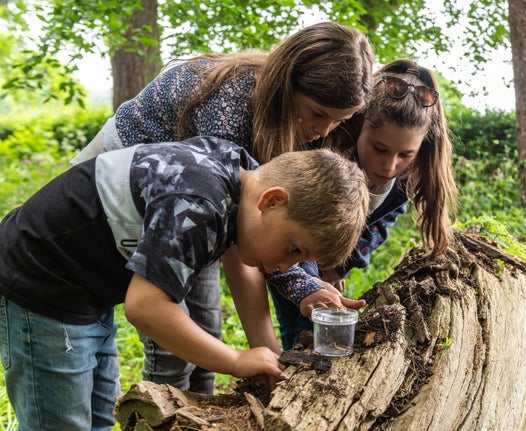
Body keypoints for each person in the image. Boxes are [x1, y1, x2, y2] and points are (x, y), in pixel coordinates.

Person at [70, 21, 374, 393]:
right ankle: (167, 410)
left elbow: (265, 227)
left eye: (338, 121)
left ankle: (199, 405)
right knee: (176, 333)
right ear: (288, 82)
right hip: (114, 199)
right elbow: (240, 245)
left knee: (205, 324)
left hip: (182, 208)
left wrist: (301, 288)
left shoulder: (286, 121)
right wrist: (264, 350)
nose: (323, 130)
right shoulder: (230, 109)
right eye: (317, 113)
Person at [0, 136, 370, 431]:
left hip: (86, 290)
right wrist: (236, 360)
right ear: (272, 201)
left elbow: (244, 269)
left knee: (97, 418)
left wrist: (268, 353)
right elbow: (146, 307)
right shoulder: (197, 201)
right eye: (293, 249)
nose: (286, 265)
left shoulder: (241, 181)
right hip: (42, 286)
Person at [266, 59, 458, 350]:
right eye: (379, 148)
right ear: (360, 124)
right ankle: (297, 361)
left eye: (405, 154)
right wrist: (311, 276)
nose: (389, 165)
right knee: (306, 313)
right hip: (295, 241)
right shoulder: (326, 152)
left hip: (332, 249)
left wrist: (338, 267)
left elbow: (378, 225)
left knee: (325, 300)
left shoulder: (406, 178)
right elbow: (291, 223)